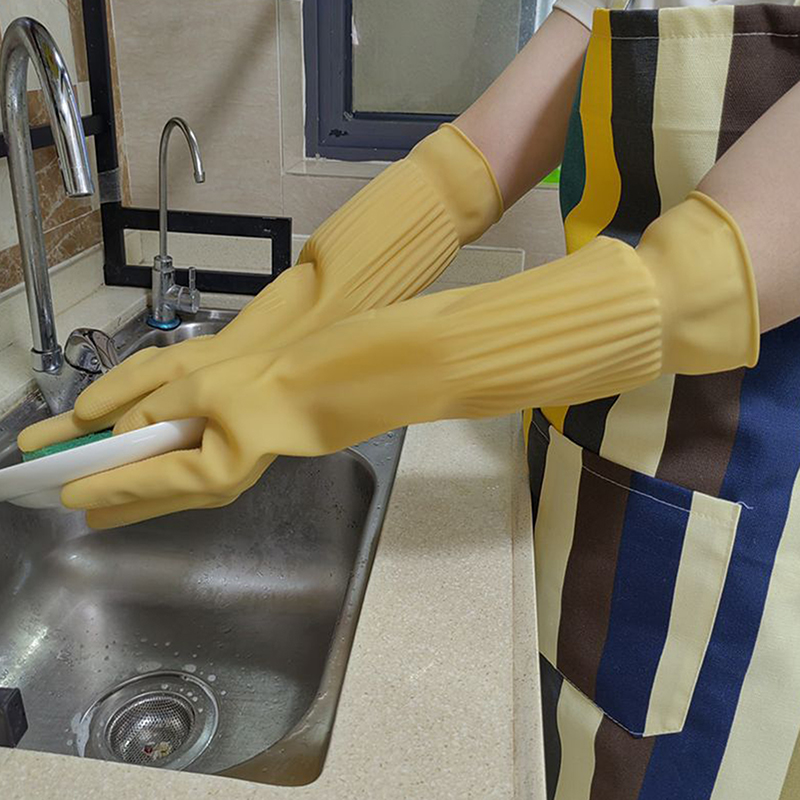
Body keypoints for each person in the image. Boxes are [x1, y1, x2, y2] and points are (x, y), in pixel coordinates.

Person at [19, 0, 800, 796]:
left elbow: (703, 277)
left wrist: (307, 386)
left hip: (731, 517)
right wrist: (254, 340)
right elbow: (460, 174)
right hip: (591, 468)